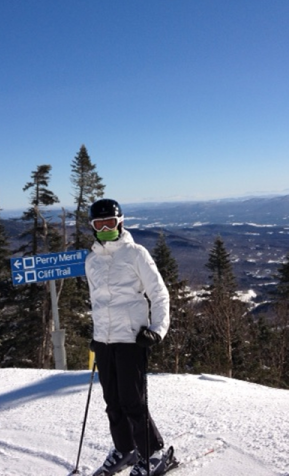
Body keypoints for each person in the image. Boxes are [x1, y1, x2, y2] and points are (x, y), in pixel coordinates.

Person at [85, 198, 172, 476]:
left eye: (110, 223)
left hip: (133, 339)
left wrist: (157, 330)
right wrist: (97, 334)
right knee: (112, 402)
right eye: (100, 224)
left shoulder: (136, 254)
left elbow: (159, 294)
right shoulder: (91, 261)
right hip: (104, 341)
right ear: (93, 228)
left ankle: (154, 453)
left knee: (133, 402)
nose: (106, 228)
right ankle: (126, 450)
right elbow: (97, 302)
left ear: (121, 222)